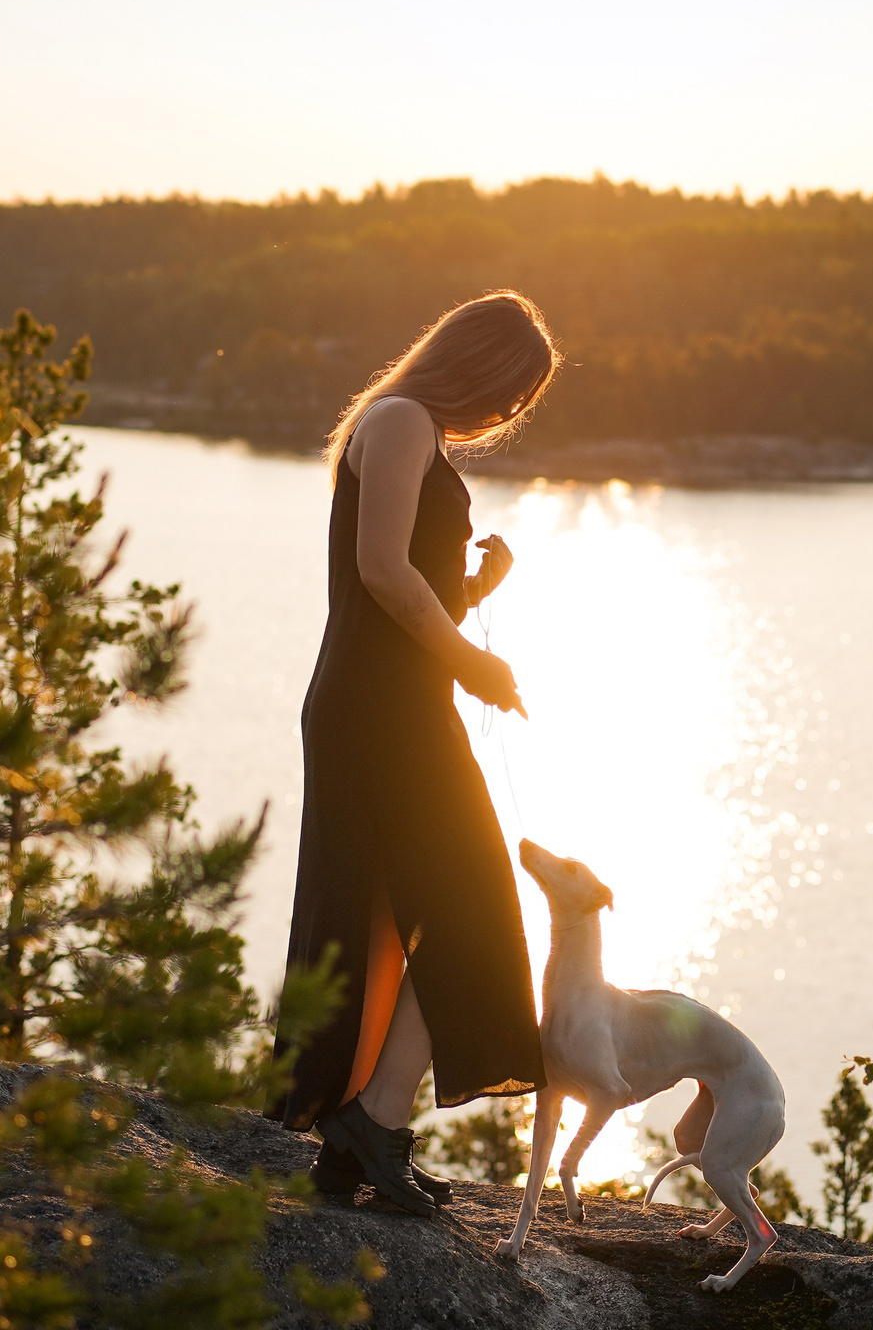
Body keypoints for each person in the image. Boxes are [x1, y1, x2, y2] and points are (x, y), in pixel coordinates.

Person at [273, 290, 561, 1215]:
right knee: (464, 904)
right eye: (510, 392)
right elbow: (381, 574)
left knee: (409, 912)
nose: (507, 415)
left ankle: (362, 1135)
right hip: (376, 710)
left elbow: (405, 597)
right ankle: (369, 1124)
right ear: (475, 362)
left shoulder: (415, 430)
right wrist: (473, 661)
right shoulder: (399, 419)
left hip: (397, 700)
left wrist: (475, 587)